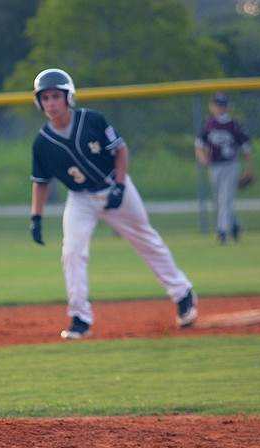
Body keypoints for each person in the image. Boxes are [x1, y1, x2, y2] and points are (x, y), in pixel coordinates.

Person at [27, 68, 197, 339]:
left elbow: (120, 150)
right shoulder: (42, 142)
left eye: (55, 96)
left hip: (115, 187)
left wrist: (119, 185)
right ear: (39, 102)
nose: (51, 103)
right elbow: (41, 182)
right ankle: (80, 317)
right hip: (80, 199)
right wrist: (36, 217)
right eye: (45, 98)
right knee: (72, 253)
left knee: (145, 239)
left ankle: (182, 293)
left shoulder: (92, 120)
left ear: (68, 97)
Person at [195, 92, 255, 244]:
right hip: (214, 166)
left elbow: (245, 147)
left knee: (225, 199)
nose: (219, 108)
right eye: (217, 104)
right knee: (219, 200)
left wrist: (248, 168)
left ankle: (222, 233)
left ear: (227, 106)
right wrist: (201, 156)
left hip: (230, 164)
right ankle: (235, 226)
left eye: (222, 105)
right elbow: (199, 143)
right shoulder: (208, 123)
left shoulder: (234, 124)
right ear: (211, 106)